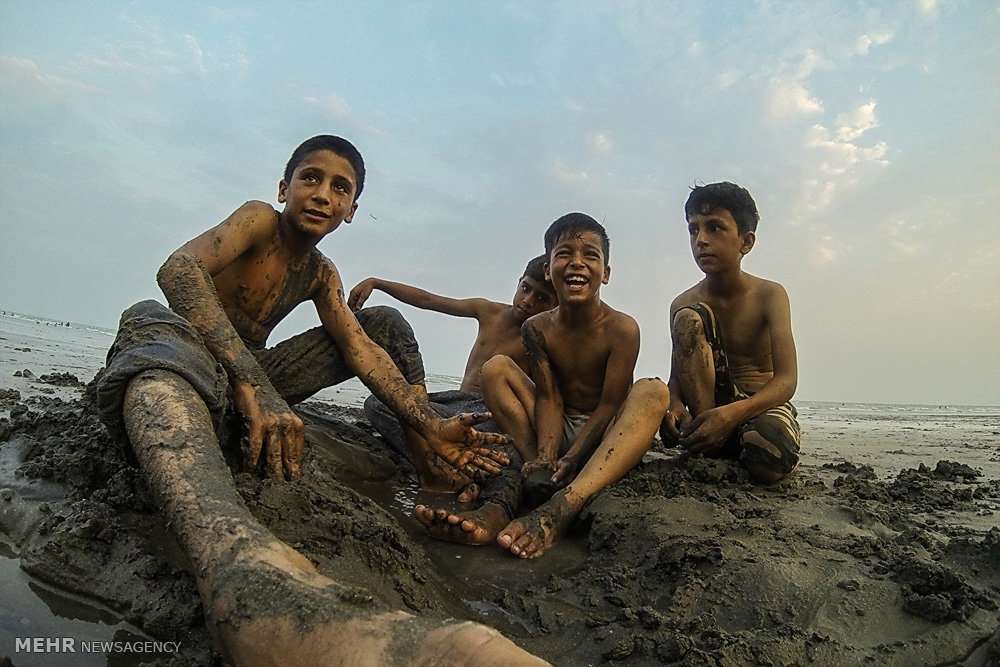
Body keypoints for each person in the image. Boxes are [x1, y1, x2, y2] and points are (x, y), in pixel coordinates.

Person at [96, 135, 542, 664]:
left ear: (351, 210)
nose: (322, 194)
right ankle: (237, 562)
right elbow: (178, 271)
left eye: (340, 188)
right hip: (188, 351)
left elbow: (360, 350)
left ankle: (420, 449)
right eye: (310, 178)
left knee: (376, 325)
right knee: (151, 316)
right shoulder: (259, 220)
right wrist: (251, 382)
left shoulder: (321, 273)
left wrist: (428, 422)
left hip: (245, 379)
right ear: (285, 188)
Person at [414, 213, 669, 558]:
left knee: (654, 391)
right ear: (549, 269)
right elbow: (549, 396)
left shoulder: (622, 329)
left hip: (603, 435)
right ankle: (535, 474)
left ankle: (566, 502)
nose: (577, 263)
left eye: (590, 255)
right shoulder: (536, 328)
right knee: (497, 368)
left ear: (606, 274)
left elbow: (610, 404)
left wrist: (574, 455)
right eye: (564, 254)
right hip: (555, 425)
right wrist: (546, 456)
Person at [349, 256, 556, 500]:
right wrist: (378, 283)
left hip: (488, 415)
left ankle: (447, 464)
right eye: (526, 289)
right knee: (379, 403)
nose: (529, 300)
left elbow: (548, 396)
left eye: (542, 298)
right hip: (453, 405)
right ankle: (441, 458)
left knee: (406, 416)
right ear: (519, 282)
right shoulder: (489, 311)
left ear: (555, 307)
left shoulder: (543, 339)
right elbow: (429, 300)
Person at [661, 182, 800, 483]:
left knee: (770, 457)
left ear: (746, 242)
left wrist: (732, 415)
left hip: (759, 404)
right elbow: (676, 380)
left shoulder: (770, 295)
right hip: (708, 407)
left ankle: (724, 439)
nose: (701, 240)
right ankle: (709, 440)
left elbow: (787, 381)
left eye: (715, 228)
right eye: (693, 230)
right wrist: (674, 406)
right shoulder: (682, 303)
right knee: (689, 317)